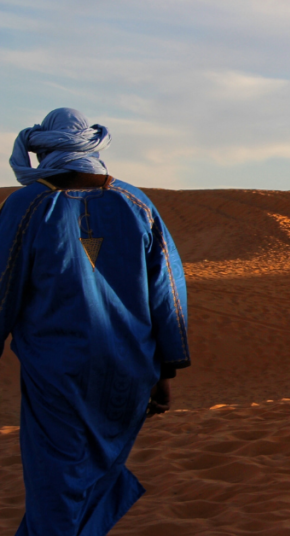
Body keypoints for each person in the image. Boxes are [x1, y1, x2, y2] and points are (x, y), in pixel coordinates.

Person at [2, 108, 190, 535]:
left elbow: (2, 285)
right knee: (90, 474)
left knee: (57, 483)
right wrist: (165, 370)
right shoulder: (136, 203)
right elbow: (169, 294)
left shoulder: (26, 207)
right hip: (128, 374)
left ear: (45, 149)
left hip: (57, 375)